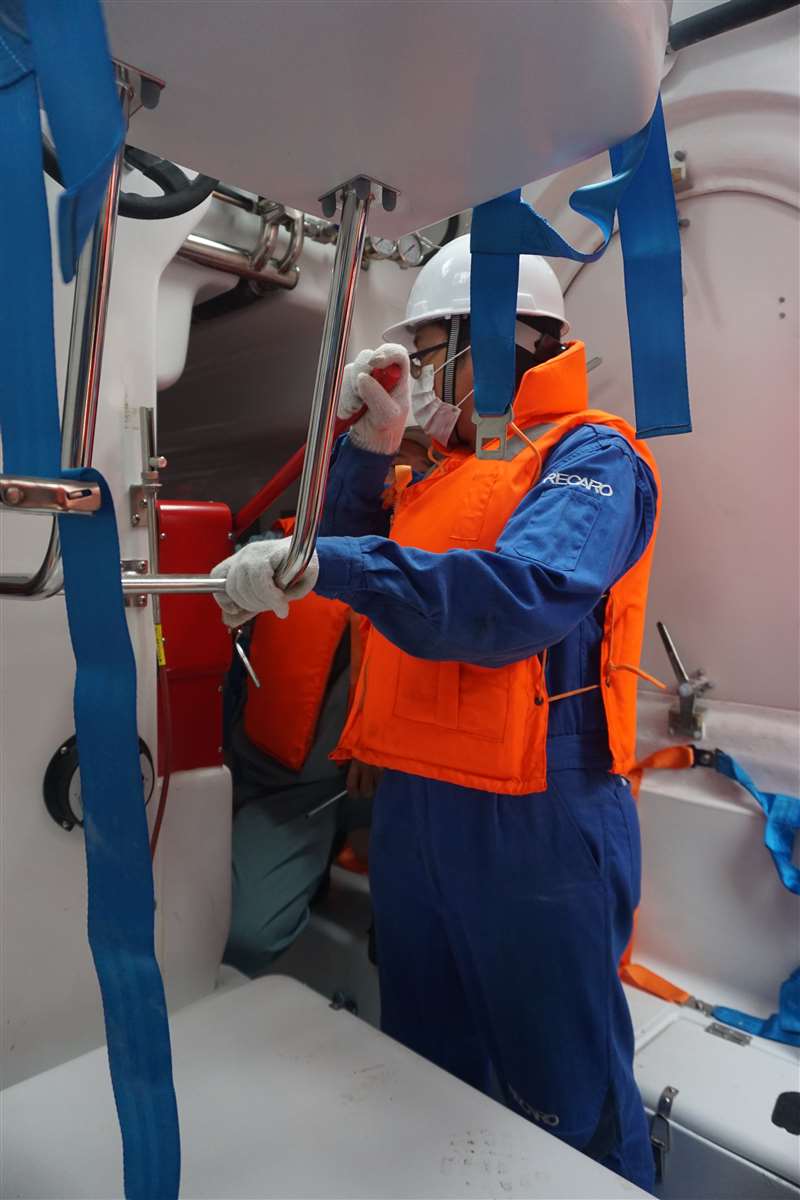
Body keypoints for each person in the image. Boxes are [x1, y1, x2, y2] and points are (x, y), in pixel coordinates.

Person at [211, 235, 660, 1190]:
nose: (417, 380)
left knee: (565, 1100)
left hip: (534, 820)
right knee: (427, 1073)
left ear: (491, 339)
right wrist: (365, 453)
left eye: (426, 353)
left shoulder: (592, 455)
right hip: (418, 812)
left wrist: (329, 561)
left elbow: (517, 600)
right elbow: (348, 564)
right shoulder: (445, 472)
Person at [223, 437, 430, 977]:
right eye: (389, 458)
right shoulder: (276, 554)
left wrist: (378, 742)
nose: (398, 475)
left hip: (405, 789)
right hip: (291, 789)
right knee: (247, 936)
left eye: (419, 460)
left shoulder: (449, 572)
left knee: (422, 939)